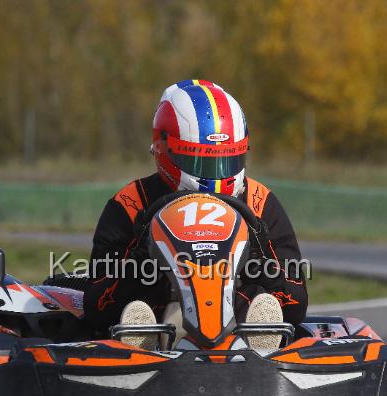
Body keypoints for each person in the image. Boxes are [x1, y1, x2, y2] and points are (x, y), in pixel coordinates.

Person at [82, 80, 308, 349]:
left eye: (227, 159)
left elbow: (295, 305)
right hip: (158, 320)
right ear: (164, 149)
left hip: (239, 328)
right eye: (202, 160)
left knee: (259, 300)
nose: (217, 171)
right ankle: (142, 336)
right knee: (139, 307)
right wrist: (139, 254)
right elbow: (97, 307)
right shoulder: (131, 204)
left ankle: (259, 332)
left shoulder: (260, 203)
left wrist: (260, 253)